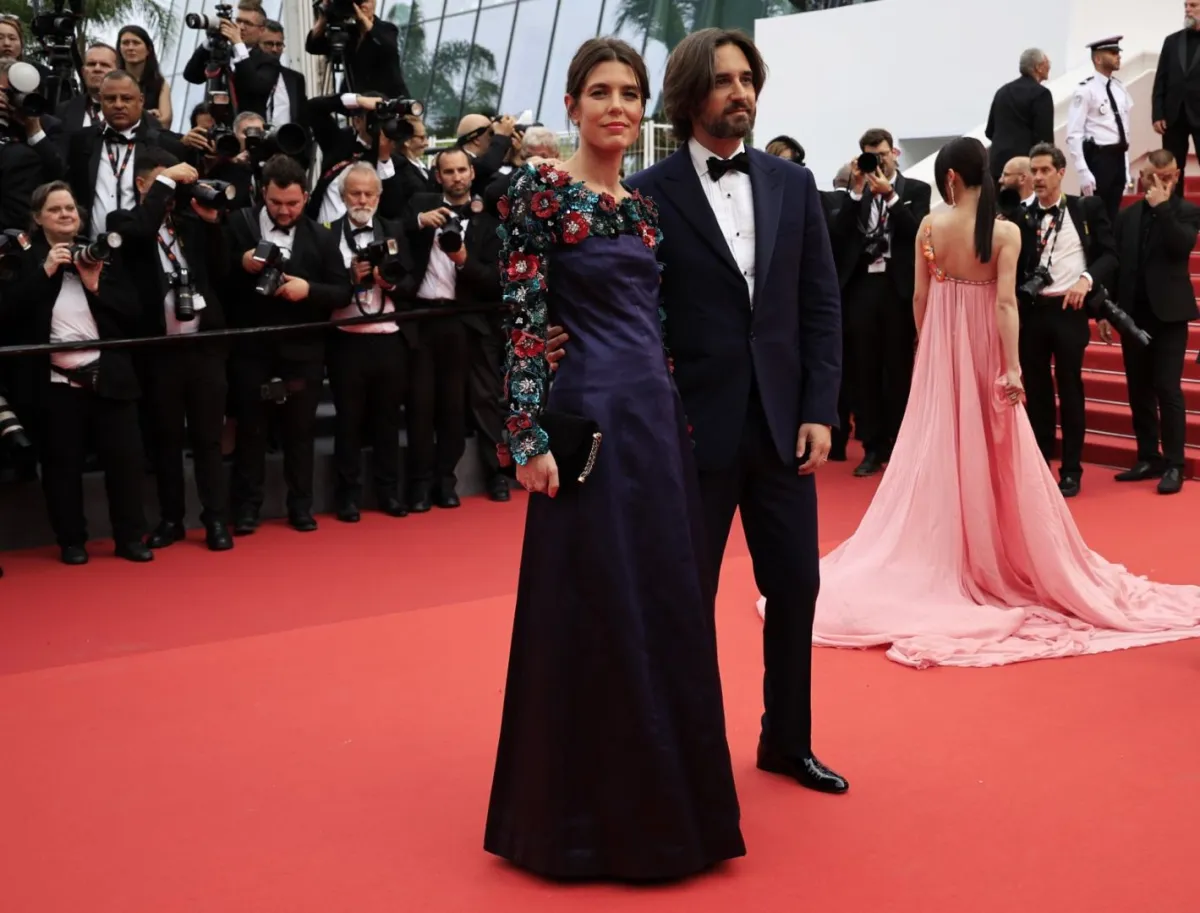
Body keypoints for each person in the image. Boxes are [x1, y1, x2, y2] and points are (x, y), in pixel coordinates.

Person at [760, 137, 1200, 669]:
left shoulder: (930, 227)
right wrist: (1010, 367)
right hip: (989, 351)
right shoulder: (1007, 231)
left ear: (949, 180)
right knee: (998, 450)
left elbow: (921, 299)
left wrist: (928, 345)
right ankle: (1005, 550)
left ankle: (960, 552)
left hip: (943, 353)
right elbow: (1006, 302)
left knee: (941, 446)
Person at [543, 28, 847, 794]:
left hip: (782, 427)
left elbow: (819, 303)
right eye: (723, 80)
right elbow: (612, 301)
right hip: (683, 430)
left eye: (748, 78)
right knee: (684, 597)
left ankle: (787, 740)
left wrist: (820, 404)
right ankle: (684, 752)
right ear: (687, 96)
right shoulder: (644, 196)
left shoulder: (792, 184)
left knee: (798, 588)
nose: (739, 92)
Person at [484, 36, 745, 883]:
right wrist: (525, 436)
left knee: (664, 603)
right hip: (588, 424)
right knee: (592, 607)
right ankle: (581, 824)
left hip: (656, 426)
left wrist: (679, 420)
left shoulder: (638, 209)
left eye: (629, 92)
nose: (616, 106)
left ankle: (671, 810)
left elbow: (656, 330)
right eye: (599, 91)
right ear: (571, 106)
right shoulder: (536, 190)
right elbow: (522, 319)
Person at [1109, 150, 1200, 495]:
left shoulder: (1187, 212)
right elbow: (1118, 265)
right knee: (1138, 389)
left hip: (1171, 315)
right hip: (1134, 314)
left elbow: (1181, 248)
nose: (1156, 182)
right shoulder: (1127, 216)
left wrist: (1162, 207)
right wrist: (1111, 313)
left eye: (1165, 177)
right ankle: (1148, 456)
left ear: (1176, 177)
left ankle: (1175, 463)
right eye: (1151, 176)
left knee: (1167, 387)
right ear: (1143, 175)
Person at [1065, 37, 1132, 225]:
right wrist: (1082, 171)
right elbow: (1074, 133)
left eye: (1118, 52)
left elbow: (1124, 132)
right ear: (1098, 59)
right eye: (1112, 53)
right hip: (1099, 159)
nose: (1118, 56)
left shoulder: (1120, 89)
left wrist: (1125, 166)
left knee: (1112, 216)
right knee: (1092, 216)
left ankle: (1109, 254)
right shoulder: (1086, 90)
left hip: (1118, 158)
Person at [1152, 0, 1200, 196]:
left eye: (1193, 5)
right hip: (1173, 117)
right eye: (1186, 6)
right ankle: (1173, 216)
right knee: (1172, 170)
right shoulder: (1171, 41)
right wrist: (1157, 114)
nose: (1188, 9)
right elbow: (1161, 79)